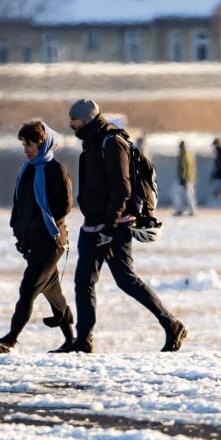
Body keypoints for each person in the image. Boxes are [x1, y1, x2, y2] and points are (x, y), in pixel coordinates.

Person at [59, 98, 187, 353]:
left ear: (86, 118)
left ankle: (172, 324)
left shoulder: (111, 142)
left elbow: (122, 190)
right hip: (92, 225)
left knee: (126, 280)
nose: (70, 124)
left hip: (114, 226)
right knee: (83, 281)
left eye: (74, 119)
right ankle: (83, 340)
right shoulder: (92, 142)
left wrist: (109, 228)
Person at [0, 120, 75, 353]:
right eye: (24, 144)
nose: (26, 149)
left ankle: (10, 339)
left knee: (28, 289)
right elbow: (19, 204)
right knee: (52, 291)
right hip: (31, 242)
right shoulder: (27, 169)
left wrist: (37, 225)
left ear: (43, 144)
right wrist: (18, 229)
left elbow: (64, 207)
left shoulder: (56, 170)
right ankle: (73, 340)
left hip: (51, 241)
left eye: (30, 144)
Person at [174, 140, 197, 216]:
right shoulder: (190, 154)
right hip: (190, 178)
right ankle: (191, 210)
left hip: (185, 179)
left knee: (180, 195)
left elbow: (183, 167)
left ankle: (181, 210)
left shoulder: (182, 154)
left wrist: (183, 179)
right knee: (189, 195)